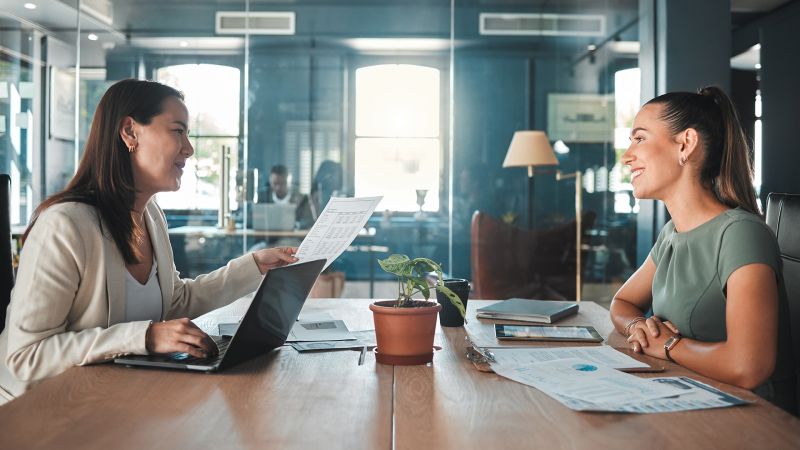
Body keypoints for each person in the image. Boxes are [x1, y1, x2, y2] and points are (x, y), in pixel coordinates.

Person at [0, 79, 299, 404]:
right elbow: (25, 355)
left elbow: (174, 303)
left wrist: (254, 266)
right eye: (177, 131)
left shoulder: (151, 216)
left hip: (115, 400)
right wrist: (144, 337)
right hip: (44, 412)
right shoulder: (65, 225)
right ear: (130, 132)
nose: (189, 148)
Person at [609, 86, 795, 413]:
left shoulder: (741, 234)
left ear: (686, 144)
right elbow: (622, 302)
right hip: (685, 395)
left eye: (639, 139)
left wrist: (667, 345)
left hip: (750, 418)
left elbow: (749, 366)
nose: (627, 156)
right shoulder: (672, 234)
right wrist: (637, 326)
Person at [296, 160, 343, 229]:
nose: (337, 179)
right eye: (335, 175)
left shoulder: (340, 198)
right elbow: (302, 223)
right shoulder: (311, 200)